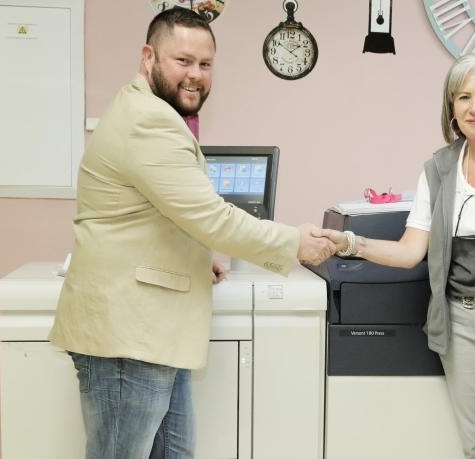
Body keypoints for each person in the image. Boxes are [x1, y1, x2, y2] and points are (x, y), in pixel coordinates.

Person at [49, 8, 334, 459]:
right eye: (182, 61)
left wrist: (200, 254)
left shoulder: (149, 110)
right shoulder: (149, 121)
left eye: (205, 64)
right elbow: (211, 216)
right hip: (130, 335)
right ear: (149, 57)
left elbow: (163, 214)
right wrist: (293, 242)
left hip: (156, 332)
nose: (196, 75)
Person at [316, 50, 475, 459]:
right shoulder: (439, 169)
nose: (474, 108)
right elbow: (411, 250)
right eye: (463, 97)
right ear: (451, 107)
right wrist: (350, 243)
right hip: (459, 325)